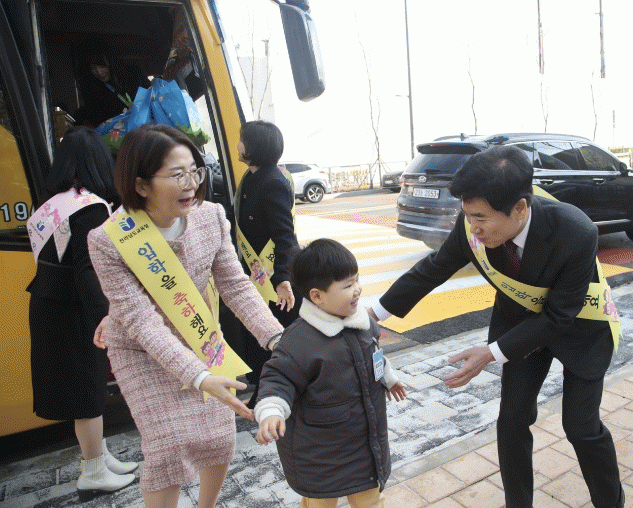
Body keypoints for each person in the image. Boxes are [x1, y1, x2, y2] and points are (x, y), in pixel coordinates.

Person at [369, 145, 624, 508]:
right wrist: (374, 314)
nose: (473, 227)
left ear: (520, 208)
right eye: (467, 215)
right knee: (512, 421)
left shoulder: (576, 231)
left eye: (481, 218)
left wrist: (489, 353)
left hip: (580, 329)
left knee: (581, 427)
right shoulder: (474, 225)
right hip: (519, 327)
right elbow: (434, 268)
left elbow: (558, 316)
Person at [87, 124, 284, 508]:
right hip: (141, 351)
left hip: (200, 336)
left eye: (195, 171)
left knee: (220, 438)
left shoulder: (211, 217)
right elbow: (141, 322)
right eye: (177, 174)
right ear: (141, 185)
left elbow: (236, 286)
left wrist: (277, 338)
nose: (192, 183)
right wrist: (199, 376)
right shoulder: (108, 240)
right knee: (168, 447)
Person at [26, 126, 138, 500]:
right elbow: (87, 267)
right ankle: (92, 472)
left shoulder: (50, 204)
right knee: (86, 390)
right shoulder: (90, 207)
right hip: (74, 308)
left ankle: (100, 457)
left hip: (50, 302)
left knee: (84, 386)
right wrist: (104, 313)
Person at [255, 239, 407, 508]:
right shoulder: (300, 340)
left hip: (365, 447)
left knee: (371, 501)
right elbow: (279, 377)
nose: (357, 289)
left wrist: (388, 378)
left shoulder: (363, 323)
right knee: (320, 503)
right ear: (317, 296)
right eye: (347, 285)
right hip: (320, 455)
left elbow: (374, 355)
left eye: (356, 280)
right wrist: (271, 411)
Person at [235, 120, 302, 408]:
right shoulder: (252, 177)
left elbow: (285, 235)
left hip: (274, 278)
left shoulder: (272, 182)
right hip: (256, 273)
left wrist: (284, 278)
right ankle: (264, 389)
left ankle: (271, 394)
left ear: (254, 147)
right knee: (258, 336)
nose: (238, 144)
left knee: (272, 338)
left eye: (242, 139)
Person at [76, 45, 150, 127]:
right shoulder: (93, 91)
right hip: (120, 131)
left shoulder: (134, 74)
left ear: (111, 62)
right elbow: (100, 122)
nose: (99, 72)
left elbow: (150, 94)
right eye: (93, 68)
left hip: (147, 124)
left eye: (102, 66)